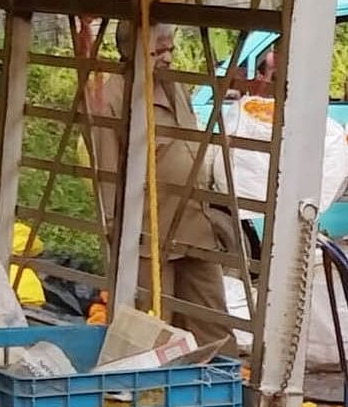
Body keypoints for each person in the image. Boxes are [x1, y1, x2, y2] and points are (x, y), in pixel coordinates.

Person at [84, 23, 247, 330]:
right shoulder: (112, 98)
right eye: (158, 51)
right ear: (131, 51)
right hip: (149, 233)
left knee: (211, 318)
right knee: (156, 323)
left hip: (194, 223)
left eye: (170, 48)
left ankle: (222, 374)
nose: (169, 58)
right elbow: (106, 173)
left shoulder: (177, 86)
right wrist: (114, 234)